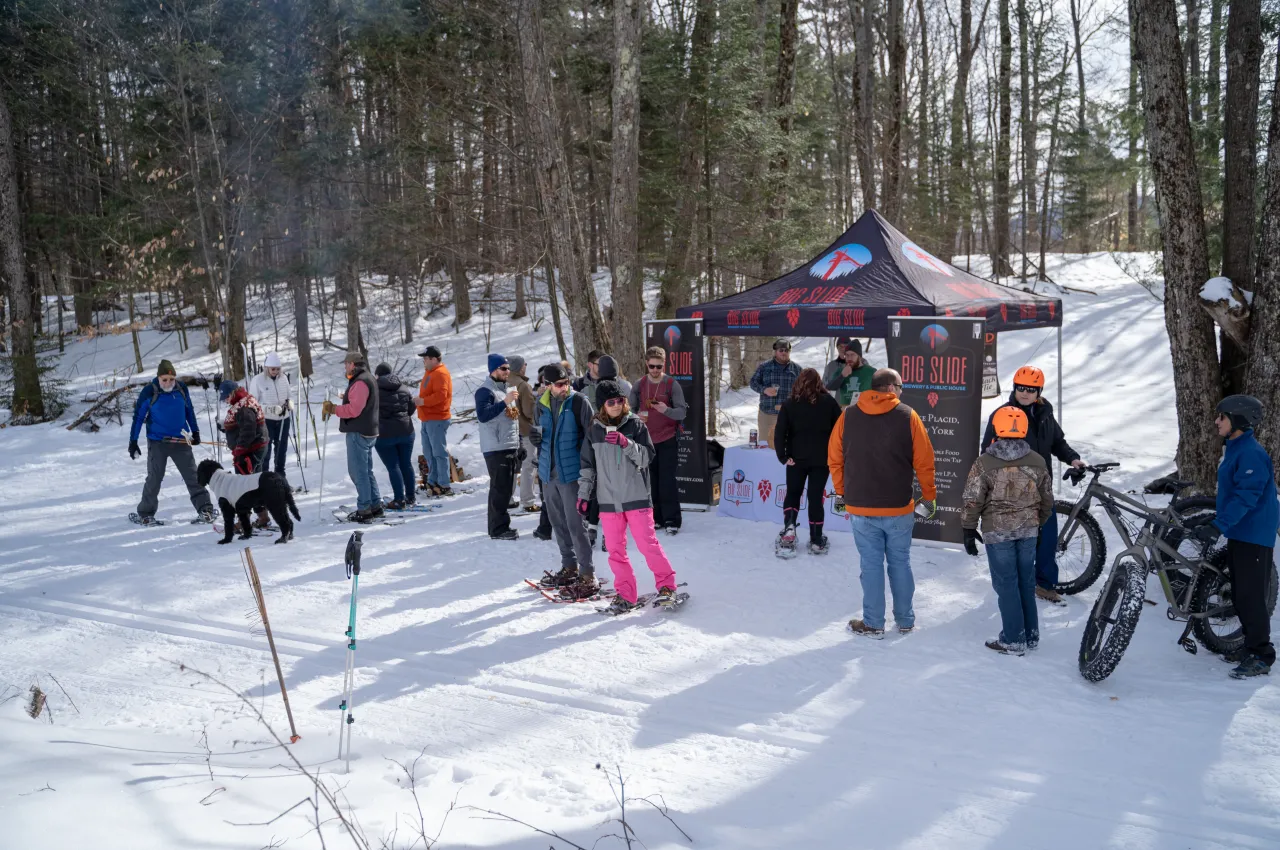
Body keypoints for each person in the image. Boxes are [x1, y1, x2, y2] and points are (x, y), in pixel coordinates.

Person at [828, 368, 937, 638]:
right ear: (890, 388)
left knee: (871, 564)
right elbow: (925, 461)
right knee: (900, 562)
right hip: (898, 506)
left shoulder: (848, 415)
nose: (901, 392)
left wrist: (842, 492)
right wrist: (929, 496)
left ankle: (874, 623)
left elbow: (835, 458)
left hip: (861, 507)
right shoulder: (908, 415)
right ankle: (905, 620)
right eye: (900, 387)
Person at [980, 365, 1086, 604]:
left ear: (1039, 391)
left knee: (1047, 539)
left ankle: (1045, 585)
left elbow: (1058, 442)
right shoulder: (1003, 415)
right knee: (1017, 542)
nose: (1025, 393)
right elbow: (988, 451)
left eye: (1031, 389)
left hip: (1042, 487)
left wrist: (1073, 458)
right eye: (1021, 388)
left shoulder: (1045, 414)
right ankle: (1013, 585)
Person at [1194, 395, 1279, 679]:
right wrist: (1217, 520)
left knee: (1251, 596)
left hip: (1254, 534)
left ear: (1239, 420)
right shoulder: (1236, 449)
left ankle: (1262, 655)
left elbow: (1247, 497)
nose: (1217, 421)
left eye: (1222, 416)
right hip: (1241, 532)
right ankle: (1250, 647)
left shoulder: (1251, 453)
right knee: (1241, 594)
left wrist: (1219, 526)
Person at [578, 380, 679, 613]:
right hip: (608, 502)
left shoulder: (635, 425)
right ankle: (625, 593)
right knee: (615, 550)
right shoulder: (594, 431)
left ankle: (667, 586)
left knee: (647, 545)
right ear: (602, 405)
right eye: (610, 401)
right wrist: (584, 495)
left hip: (637, 498)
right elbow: (587, 468)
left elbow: (646, 458)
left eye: (620, 400)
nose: (616, 405)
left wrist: (626, 443)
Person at [961, 407, 1054, 656]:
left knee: (1006, 584)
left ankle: (1013, 639)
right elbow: (1047, 500)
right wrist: (1039, 523)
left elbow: (972, 500)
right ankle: (1031, 635)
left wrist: (968, 529)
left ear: (996, 429)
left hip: (997, 533)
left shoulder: (984, 463)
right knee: (1026, 581)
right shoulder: (1037, 460)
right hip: (1028, 531)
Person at [128, 360, 216, 524]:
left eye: (171, 379)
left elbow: (188, 409)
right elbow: (138, 417)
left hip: (181, 440)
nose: (168, 383)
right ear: (158, 378)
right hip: (157, 442)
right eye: (164, 379)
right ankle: (146, 513)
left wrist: (195, 431)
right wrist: (133, 442)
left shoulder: (181, 388)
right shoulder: (149, 392)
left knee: (192, 475)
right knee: (155, 477)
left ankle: (205, 509)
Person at [534, 363, 597, 593]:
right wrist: (535, 440)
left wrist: (587, 469)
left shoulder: (579, 402)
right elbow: (540, 435)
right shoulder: (540, 404)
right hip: (548, 473)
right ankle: (568, 566)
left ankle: (587, 572)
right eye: (560, 384)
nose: (565, 387)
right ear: (547, 386)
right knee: (557, 522)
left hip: (571, 473)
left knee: (575, 524)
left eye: (567, 382)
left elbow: (592, 437)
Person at [774, 367, 843, 554]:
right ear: (819, 383)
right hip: (822, 460)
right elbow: (840, 431)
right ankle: (816, 538)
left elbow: (780, 432)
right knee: (815, 497)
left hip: (795, 459)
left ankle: (789, 528)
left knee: (793, 494)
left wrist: (782, 456)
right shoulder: (829, 402)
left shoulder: (790, 403)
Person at [630, 346, 688, 534]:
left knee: (667, 481)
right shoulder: (639, 384)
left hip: (668, 438)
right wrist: (636, 416)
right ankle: (657, 518)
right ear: (646, 364)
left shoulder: (672, 384)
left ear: (664, 365)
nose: (655, 370)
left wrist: (666, 410)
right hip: (646, 440)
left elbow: (682, 411)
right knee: (651, 481)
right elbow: (628, 411)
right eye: (652, 366)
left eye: (659, 366)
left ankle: (672, 519)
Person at [322, 351, 382, 522]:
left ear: (353, 364)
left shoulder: (361, 382)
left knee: (358, 472)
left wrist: (334, 409)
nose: (345, 366)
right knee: (366, 471)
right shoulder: (365, 378)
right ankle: (375, 505)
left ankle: (365, 509)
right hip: (368, 429)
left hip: (359, 432)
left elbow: (354, 409)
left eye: (346, 364)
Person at [475, 353, 521, 540]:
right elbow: (483, 415)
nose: (507, 371)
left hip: (508, 445)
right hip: (495, 447)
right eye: (503, 368)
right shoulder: (485, 391)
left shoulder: (506, 390)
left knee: (506, 489)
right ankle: (498, 529)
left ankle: (502, 525)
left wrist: (518, 443)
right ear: (493, 370)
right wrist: (504, 402)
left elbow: (512, 419)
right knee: (499, 489)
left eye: (508, 368)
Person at [220, 380, 272, 529]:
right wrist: (226, 429)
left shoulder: (244, 407)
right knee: (251, 483)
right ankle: (262, 517)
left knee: (246, 485)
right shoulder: (242, 402)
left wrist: (239, 450)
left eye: (226, 397)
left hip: (251, 450)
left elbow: (248, 431)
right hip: (252, 448)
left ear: (232, 393)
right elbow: (241, 426)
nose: (225, 401)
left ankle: (245, 520)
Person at [373, 363, 417, 510]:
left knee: (393, 466)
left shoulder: (375, 390)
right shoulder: (403, 387)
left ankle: (399, 500)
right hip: (406, 431)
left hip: (385, 434)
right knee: (406, 464)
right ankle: (410, 496)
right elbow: (411, 408)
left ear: (377, 375)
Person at [416, 345, 453, 497]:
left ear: (434, 359)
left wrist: (422, 402)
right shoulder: (430, 372)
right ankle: (433, 481)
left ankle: (444, 484)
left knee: (439, 452)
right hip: (427, 418)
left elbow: (441, 396)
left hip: (437, 418)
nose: (423, 361)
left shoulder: (440, 374)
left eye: (425, 358)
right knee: (429, 452)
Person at [749, 339, 801, 446]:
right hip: (767, 414)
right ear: (775, 351)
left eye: (786, 350)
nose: (783, 353)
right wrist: (764, 390)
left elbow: (804, 389)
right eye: (781, 350)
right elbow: (753, 382)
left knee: (787, 446)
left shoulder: (797, 369)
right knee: (765, 445)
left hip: (788, 415)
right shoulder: (765, 367)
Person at [248, 352, 292, 477]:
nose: (275, 371)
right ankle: (265, 478)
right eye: (273, 369)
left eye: (278, 369)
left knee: (281, 449)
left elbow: (290, 396)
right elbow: (252, 404)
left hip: (284, 419)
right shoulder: (258, 380)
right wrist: (271, 409)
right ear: (266, 367)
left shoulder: (283, 379)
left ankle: (280, 476)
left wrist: (290, 404)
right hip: (266, 421)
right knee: (265, 450)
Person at [510, 355, 541, 513]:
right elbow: (529, 412)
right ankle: (528, 501)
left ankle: (508, 498)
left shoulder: (503, 382)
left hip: (510, 432)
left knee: (512, 467)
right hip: (526, 431)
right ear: (518, 367)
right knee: (529, 466)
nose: (526, 366)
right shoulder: (523, 385)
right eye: (524, 364)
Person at [823, 339, 876, 407]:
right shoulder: (841, 371)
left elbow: (879, 392)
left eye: (852, 355)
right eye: (847, 355)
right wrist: (842, 376)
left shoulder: (871, 372)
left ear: (859, 356)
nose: (849, 358)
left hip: (865, 411)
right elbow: (830, 387)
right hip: (846, 412)